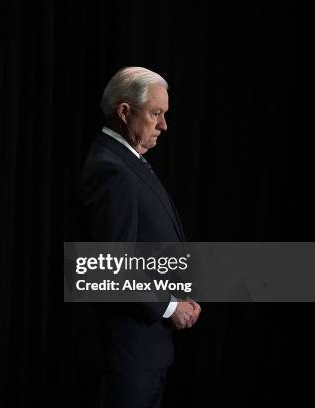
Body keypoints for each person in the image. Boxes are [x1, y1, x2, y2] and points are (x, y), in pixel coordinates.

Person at [80, 66, 201, 408]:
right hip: (127, 351)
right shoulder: (112, 169)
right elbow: (110, 265)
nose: (163, 126)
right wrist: (168, 306)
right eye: (156, 114)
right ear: (124, 111)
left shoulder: (127, 160)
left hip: (146, 349)